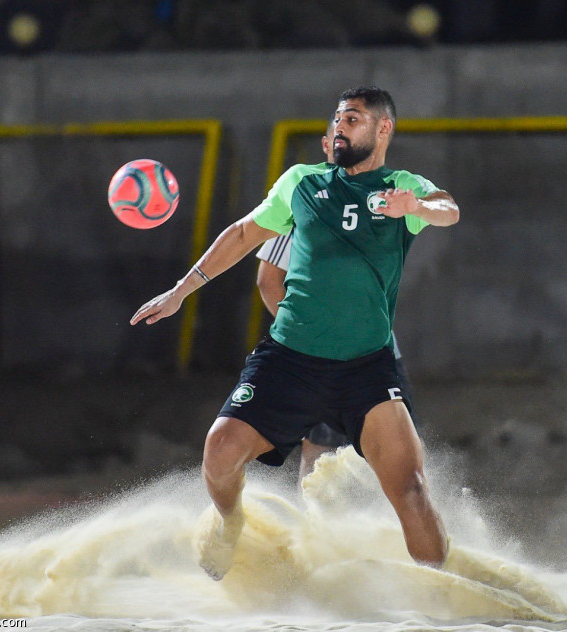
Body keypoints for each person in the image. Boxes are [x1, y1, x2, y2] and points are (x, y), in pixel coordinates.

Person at [130, 86, 459, 581]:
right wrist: (181, 291)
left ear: (383, 128)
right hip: (291, 361)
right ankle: (229, 522)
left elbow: (448, 209)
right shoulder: (303, 183)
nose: (339, 128)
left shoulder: (401, 187)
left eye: (352, 119)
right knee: (220, 451)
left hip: (367, 368)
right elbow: (243, 235)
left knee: (411, 492)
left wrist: (416, 207)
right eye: (337, 120)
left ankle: (447, 598)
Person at [255, 118, 418, 483]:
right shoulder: (303, 199)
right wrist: (312, 335)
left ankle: (395, 528)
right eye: (338, 138)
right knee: (321, 448)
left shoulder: (382, 198)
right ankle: (317, 532)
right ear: (326, 146)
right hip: (320, 355)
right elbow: (268, 281)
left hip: (378, 354)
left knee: (400, 454)